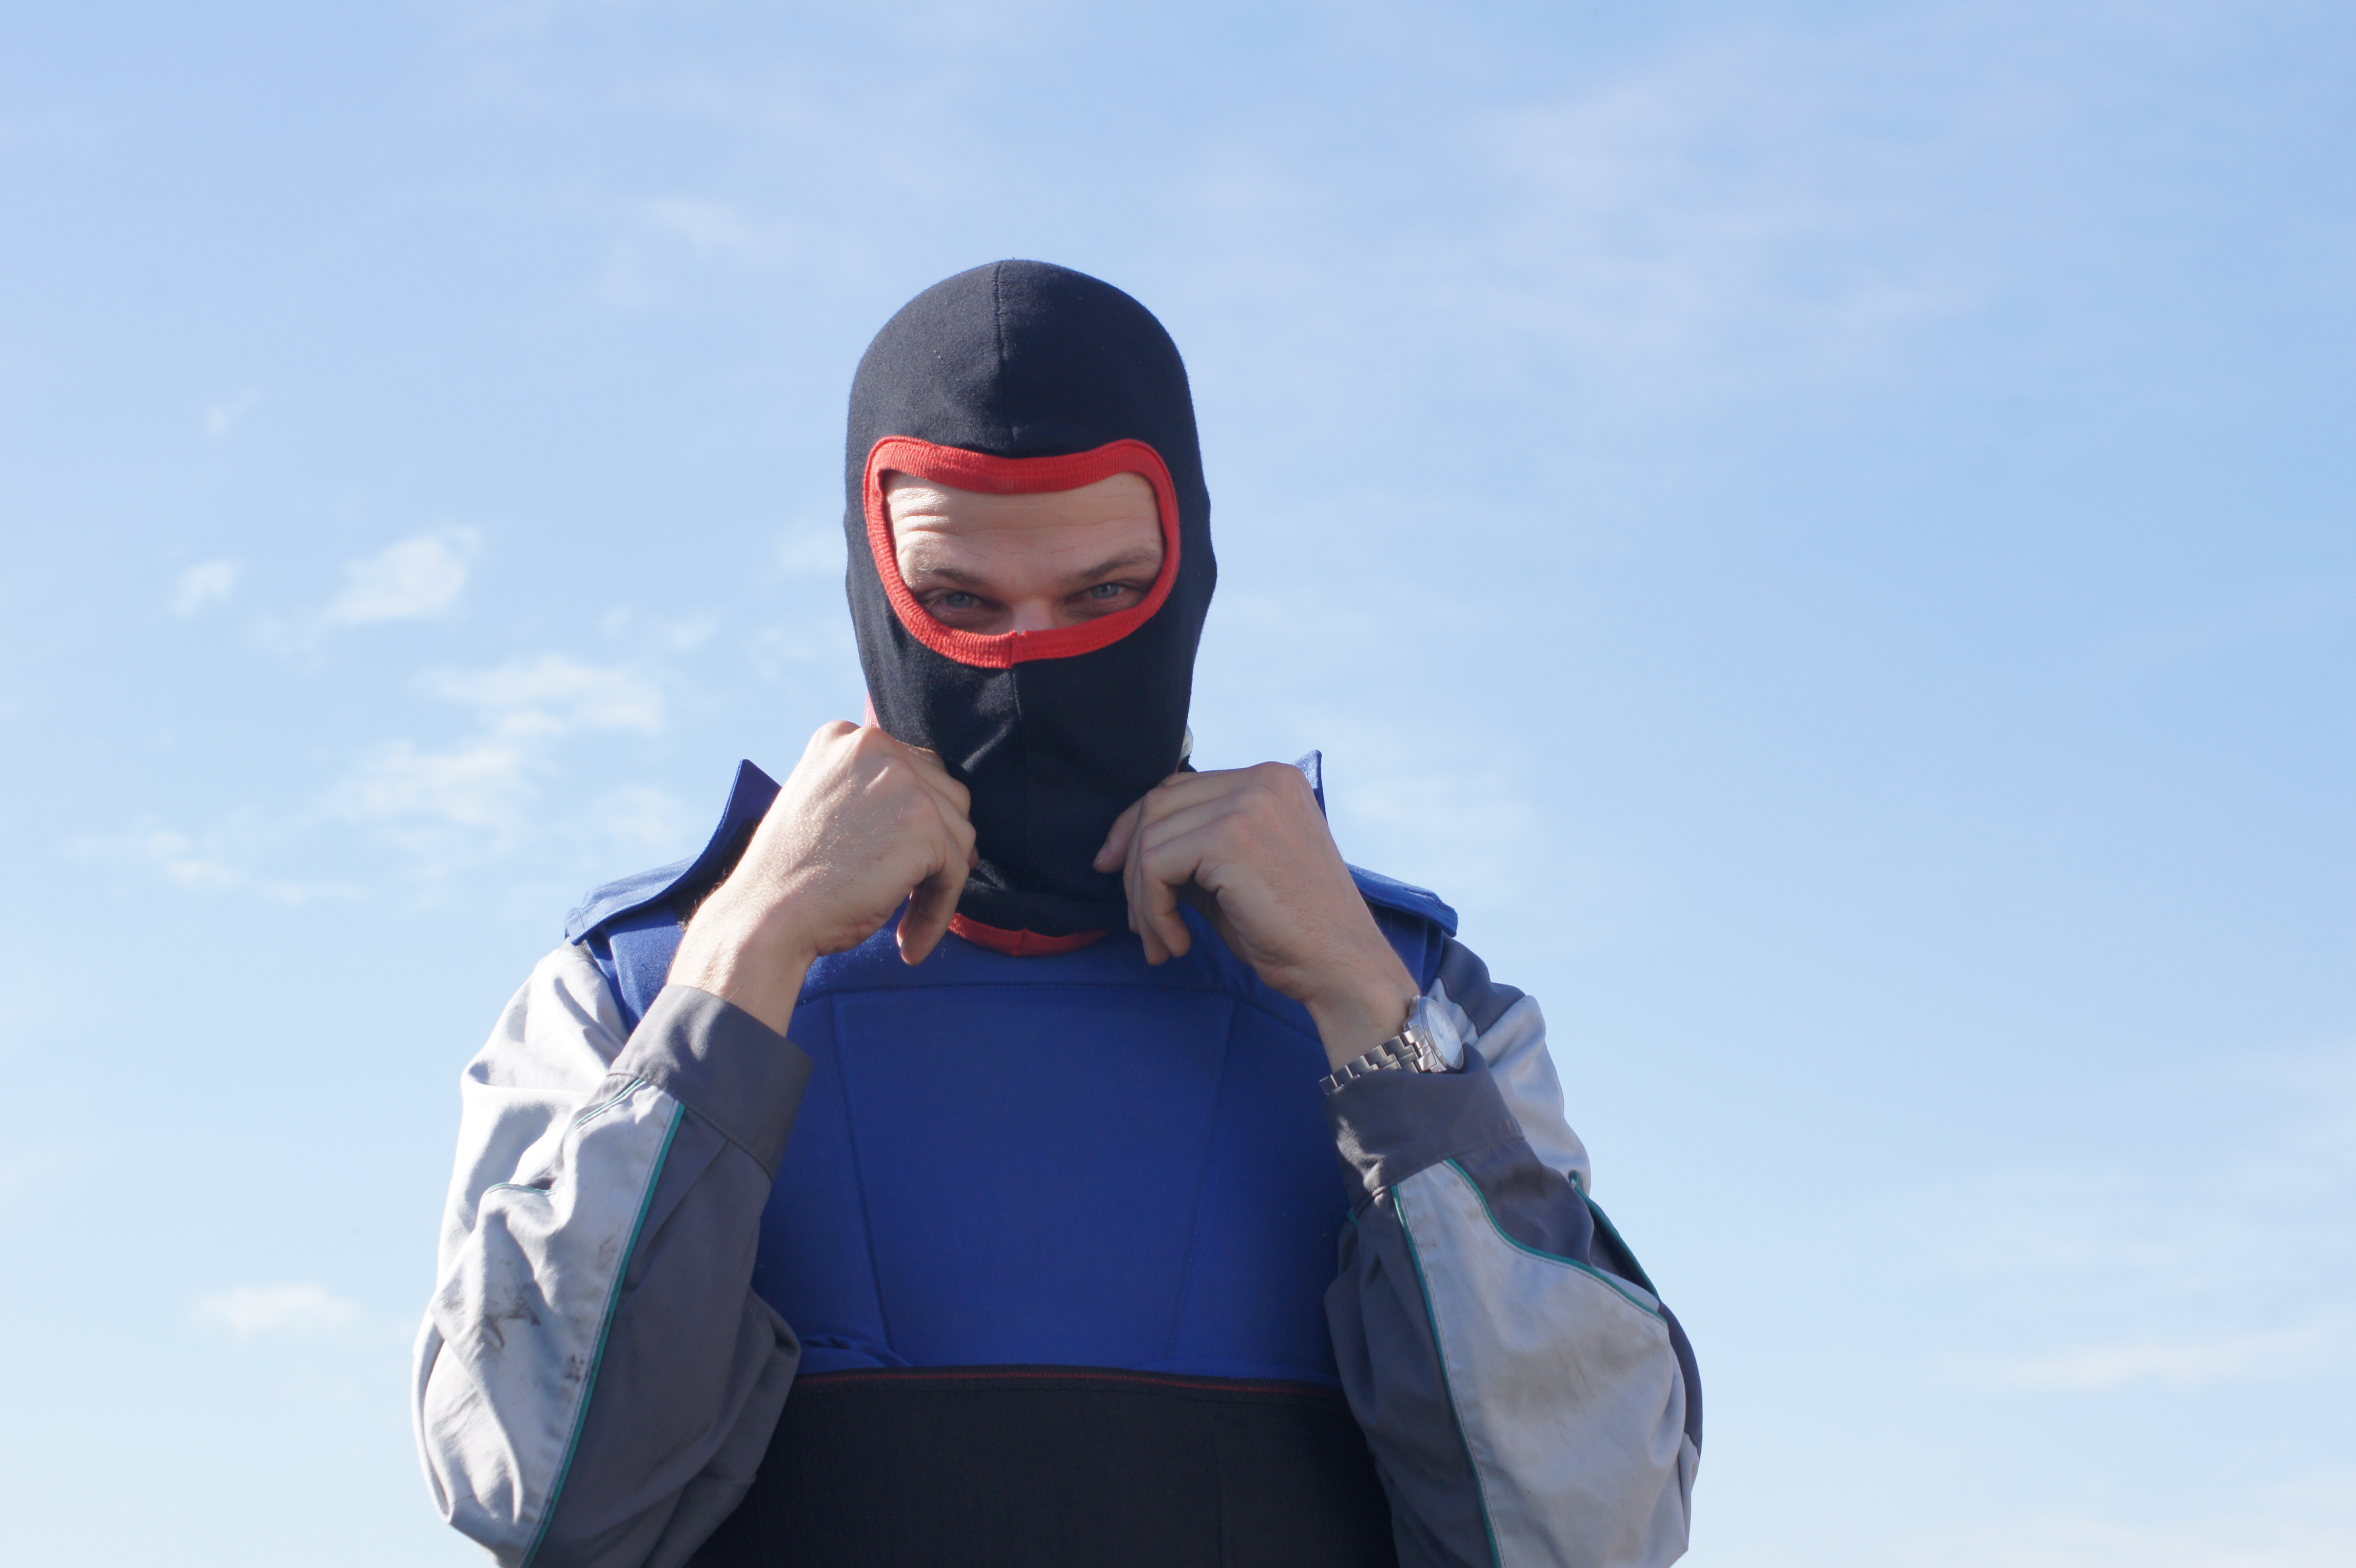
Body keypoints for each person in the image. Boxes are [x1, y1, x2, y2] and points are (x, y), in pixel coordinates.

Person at [412, 261, 1701, 1568]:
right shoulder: (625, 996)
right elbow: (532, 1487)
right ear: (870, 580)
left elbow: (1590, 1530)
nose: (1030, 662)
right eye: (960, 602)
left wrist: (1371, 1016)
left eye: (1101, 596)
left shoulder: (1423, 998)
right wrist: (742, 960)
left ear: (1190, 574)